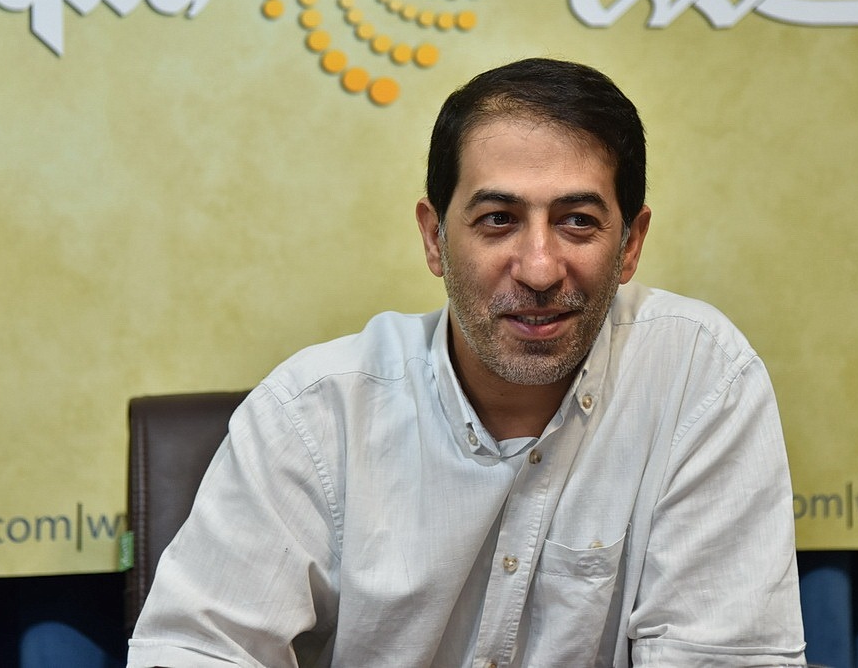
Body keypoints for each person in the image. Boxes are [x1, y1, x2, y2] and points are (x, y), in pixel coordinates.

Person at [127, 58, 806, 667]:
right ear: (435, 239)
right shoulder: (315, 414)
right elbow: (194, 651)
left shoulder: (700, 381)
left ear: (630, 244)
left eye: (577, 220)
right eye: (498, 219)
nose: (539, 269)